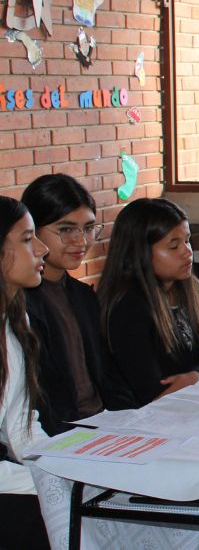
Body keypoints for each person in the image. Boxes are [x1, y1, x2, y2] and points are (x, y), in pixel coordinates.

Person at [22, 174, 135, 436]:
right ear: (31, 231)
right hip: (57, 434)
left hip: (103, 423)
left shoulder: (83, 296)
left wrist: (131, 420)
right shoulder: (20, 304)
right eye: (66, 229)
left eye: (88, 228)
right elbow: (38, 397)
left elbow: (108, 375)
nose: (81, 241)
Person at [98, 198, 199, 408]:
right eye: (173, 246)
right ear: (139, 253)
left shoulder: (193, 291)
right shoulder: (128, 307)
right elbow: (152, 392)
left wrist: (194, 378)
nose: (187, 252)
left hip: (192, 404)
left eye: (187, 240)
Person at [0, 196, 52, 549]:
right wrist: (41, 484)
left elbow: (21, 430)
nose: (42, 248)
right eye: (27, 238)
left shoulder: (16, 319)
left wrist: (65, 468)